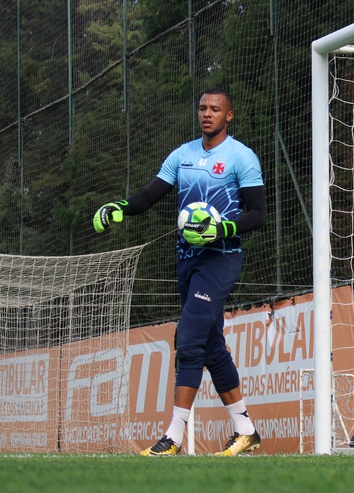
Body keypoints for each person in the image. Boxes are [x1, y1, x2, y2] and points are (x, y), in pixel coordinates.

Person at [93, 88, 265, 457]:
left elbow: (257, 215)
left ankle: (173, 436)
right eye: (203, 108)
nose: (207, 114)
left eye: (215, 109)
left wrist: (223, 228)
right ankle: (246, 430)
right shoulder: (182, 155)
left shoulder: (241, 157)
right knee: (211, 346)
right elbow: (147, 197)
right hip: (187, 261)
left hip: (220, 259)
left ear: (228, 116)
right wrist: (120, 207)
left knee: (187, 342)